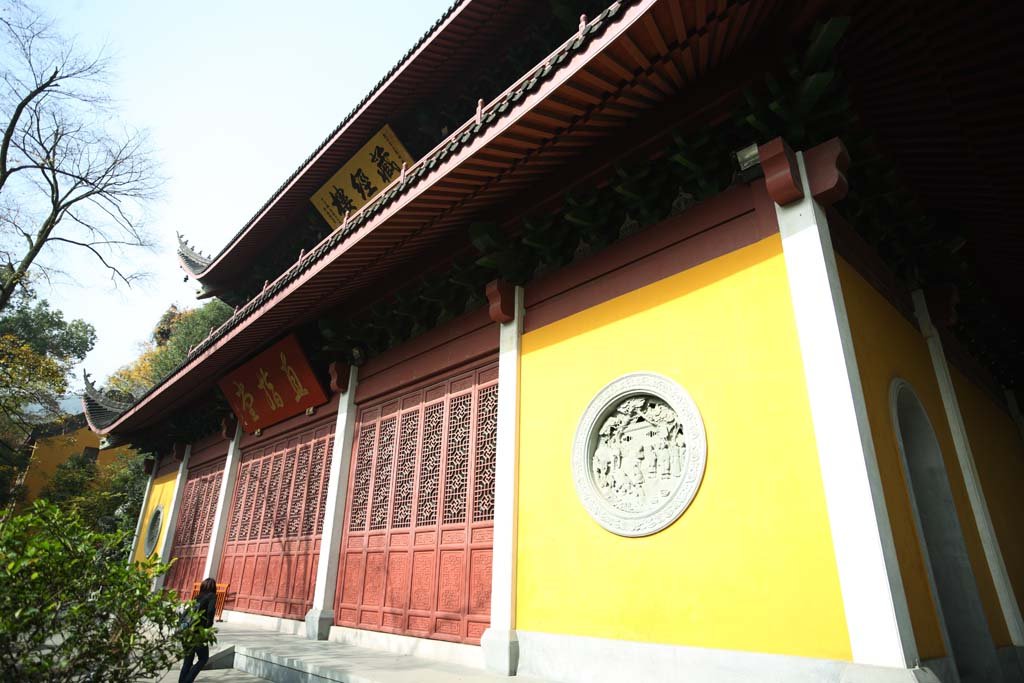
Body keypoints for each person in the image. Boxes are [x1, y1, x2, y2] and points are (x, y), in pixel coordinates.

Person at [179, 578, 217, 683]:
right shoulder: (212, 596)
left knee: (187, 661)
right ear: (214, 588)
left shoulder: (197, 597)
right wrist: (207, 628)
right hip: (198, 632)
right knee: (203, 658)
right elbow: (210, 611)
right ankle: (187, 681)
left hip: (186, 632)